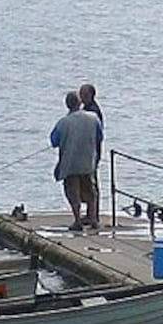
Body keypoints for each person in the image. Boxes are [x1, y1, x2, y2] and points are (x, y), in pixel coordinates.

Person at [50, 91, 103, 231]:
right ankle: (93, 220)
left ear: (67, 105)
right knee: (90, 192)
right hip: (88, 161)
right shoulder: (93, 118)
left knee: (73, 192)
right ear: (79, 103)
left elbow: (54, 141)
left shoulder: (63, 122)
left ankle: (78, 221)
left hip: (70, 163)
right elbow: (100, 135)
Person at [78, 83, 104, 227]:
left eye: (84, 94)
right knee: (87, 182)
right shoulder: (86, 109)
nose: (81, 97)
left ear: (90, 96)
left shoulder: (93, 111)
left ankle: (93, 215)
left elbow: (97, 135)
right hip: (88, 151)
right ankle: (90, 214)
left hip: (92, 151)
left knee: (91, 183)